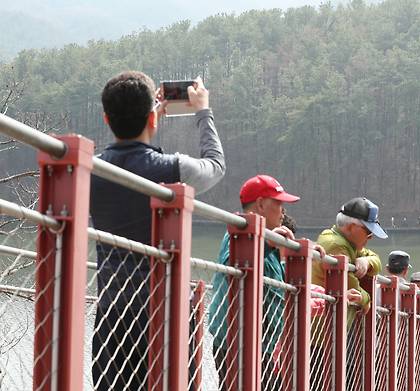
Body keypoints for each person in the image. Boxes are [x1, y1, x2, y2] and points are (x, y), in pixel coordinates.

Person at [90, 71, 226, 391]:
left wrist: (148, 120)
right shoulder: (170, 169)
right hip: (166, 312)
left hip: (113, 310)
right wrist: (203, 111)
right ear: (152, 117)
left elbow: (120, 158)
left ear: (106, 119)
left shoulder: (91, 171)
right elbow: (216, 166)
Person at [208, 175, 325, 390]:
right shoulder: (240, 229)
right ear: (261, 204)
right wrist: (265, 242)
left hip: (256, 342)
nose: (283, 211)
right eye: (278, 203)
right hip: (237, 341)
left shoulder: (265, 238)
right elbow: (232, 265)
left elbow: (271, 276)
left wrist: (301, 253)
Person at [313, 197, 386, 325]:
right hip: (320, 332)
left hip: (329, 329)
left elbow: (377, 260)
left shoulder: (348, 243)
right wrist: (366, 300)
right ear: (352, 227)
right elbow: (352, 288)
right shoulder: (336, 245)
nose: (371, 237)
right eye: (369, 231)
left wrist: (367, 261)